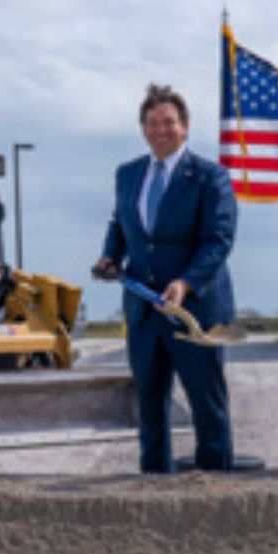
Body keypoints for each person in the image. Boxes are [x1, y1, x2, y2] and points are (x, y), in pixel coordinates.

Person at [92, 83, 237, 473]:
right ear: (143, 128)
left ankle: (215, 486)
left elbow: (218, 241)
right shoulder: (128, 174)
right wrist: (110, 255)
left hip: (195, 312)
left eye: (169, 122)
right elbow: (121, 223)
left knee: (206, 404)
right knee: (150, 404)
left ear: (186, 127)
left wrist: (186, 283)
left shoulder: (211, 177)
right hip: (143, 310)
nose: (161, 130)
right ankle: (154, 485)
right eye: (153, 122)